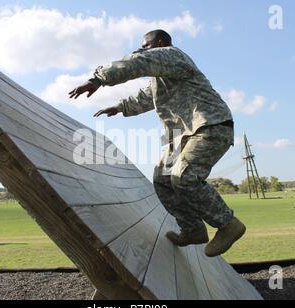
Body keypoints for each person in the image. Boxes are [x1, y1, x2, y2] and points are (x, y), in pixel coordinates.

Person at [69, 30, 246, 257]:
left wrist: (97, 79)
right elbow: (144, 98)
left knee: (184, 176)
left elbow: (139, 61)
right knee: (162, 179)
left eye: (146, 45)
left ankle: (227, 224)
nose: (143, 49)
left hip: (209, 125)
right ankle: (192, 229)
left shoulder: (171, 55)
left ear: (160, 43)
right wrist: (120, 107)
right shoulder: (160, 78)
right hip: (183, 135)